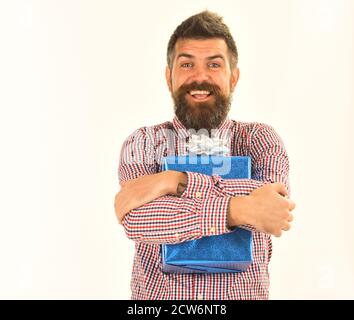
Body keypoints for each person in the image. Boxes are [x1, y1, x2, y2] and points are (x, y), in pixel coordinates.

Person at [114, 10, 296, 300]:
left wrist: (174, 181)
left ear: (233, 77)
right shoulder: (144, 143)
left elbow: (273, 206)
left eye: (214, 64)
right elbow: (138, 219)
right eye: (186, 64)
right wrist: (239, 209)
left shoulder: (260, 139)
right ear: (168, 76)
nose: (200, 76)